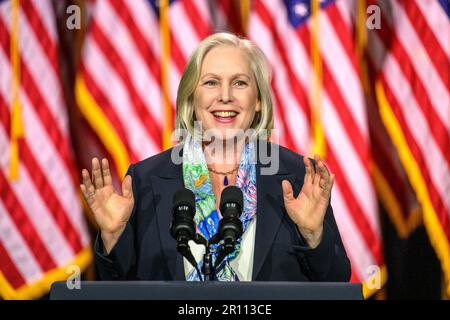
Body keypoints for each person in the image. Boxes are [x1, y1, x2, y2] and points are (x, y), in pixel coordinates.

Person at [81, 32, 351, 282]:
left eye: (239, 83)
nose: (225, 96)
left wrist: (313, 236)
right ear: (191, 96)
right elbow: (118, 288)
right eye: (211, 82)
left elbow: (335, 282)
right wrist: (113, 236)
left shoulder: (296, 176)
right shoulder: (145, 179)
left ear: (258, 100)